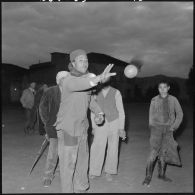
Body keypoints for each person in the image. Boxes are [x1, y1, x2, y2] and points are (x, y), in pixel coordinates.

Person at [54, 49, 116, 193]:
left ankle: (80, 188)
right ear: (73, 63)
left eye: (86, 60)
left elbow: (90, 100)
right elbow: (82, 84)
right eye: (80, 60)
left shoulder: (86, 81)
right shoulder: (69, 80)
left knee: (82, 161)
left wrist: (99, 112)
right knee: (68, 165)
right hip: (69, 129)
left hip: (82, 129)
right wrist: (98, 78)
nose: (85, 63)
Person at [142, 80, 183, 186]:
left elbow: (180, 113)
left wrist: (174, 126)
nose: (162, 89)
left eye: (164, 87)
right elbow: (150, 114)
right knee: (153, 153)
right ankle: (147, 177)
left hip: (169, 130)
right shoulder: (154, 100)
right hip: (156, 130)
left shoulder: (173, 100)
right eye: (160, 87)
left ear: (168, 88)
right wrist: (152, 126)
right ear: (158, 89)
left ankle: (161, 175)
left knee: (163, 154)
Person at [89, 79, 126, 181]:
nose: (104, 81)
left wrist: (121, 128)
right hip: (100, 123)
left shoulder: (116, 92)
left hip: (114, 122)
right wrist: (93, 126)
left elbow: (121, 111)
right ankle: (94, 171)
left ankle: (109, 171)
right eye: (103, 79)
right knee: (97, 146)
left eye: (107, 79)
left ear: (110, 81)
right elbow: (92, 111)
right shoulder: (94, 92)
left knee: (113, 147)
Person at [39, 72, 69, 187]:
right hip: (54, 128)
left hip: (69, 128)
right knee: (53, 152)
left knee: (67, 153)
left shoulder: (73, 91)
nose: (66, 80)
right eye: (63, 78)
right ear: (58, 80)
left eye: (67, 78)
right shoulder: (50, 91)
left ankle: (62, 173)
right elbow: (42, 108)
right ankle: (48, 176)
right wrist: (47, 124)